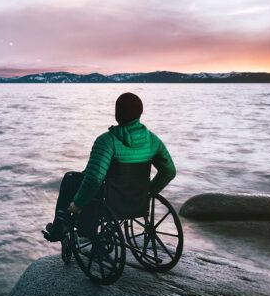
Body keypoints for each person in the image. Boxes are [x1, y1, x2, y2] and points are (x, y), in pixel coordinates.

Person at [43, 92, 176, 242]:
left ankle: (60, 227)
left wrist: (77, 204)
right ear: (140, 113)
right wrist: (147, 193)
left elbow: (94, 179)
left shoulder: (106, 141)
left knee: (70, 178)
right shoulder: (153, 140)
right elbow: (169, 171)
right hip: (137, 201)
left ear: (117, 114)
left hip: (109, 202)